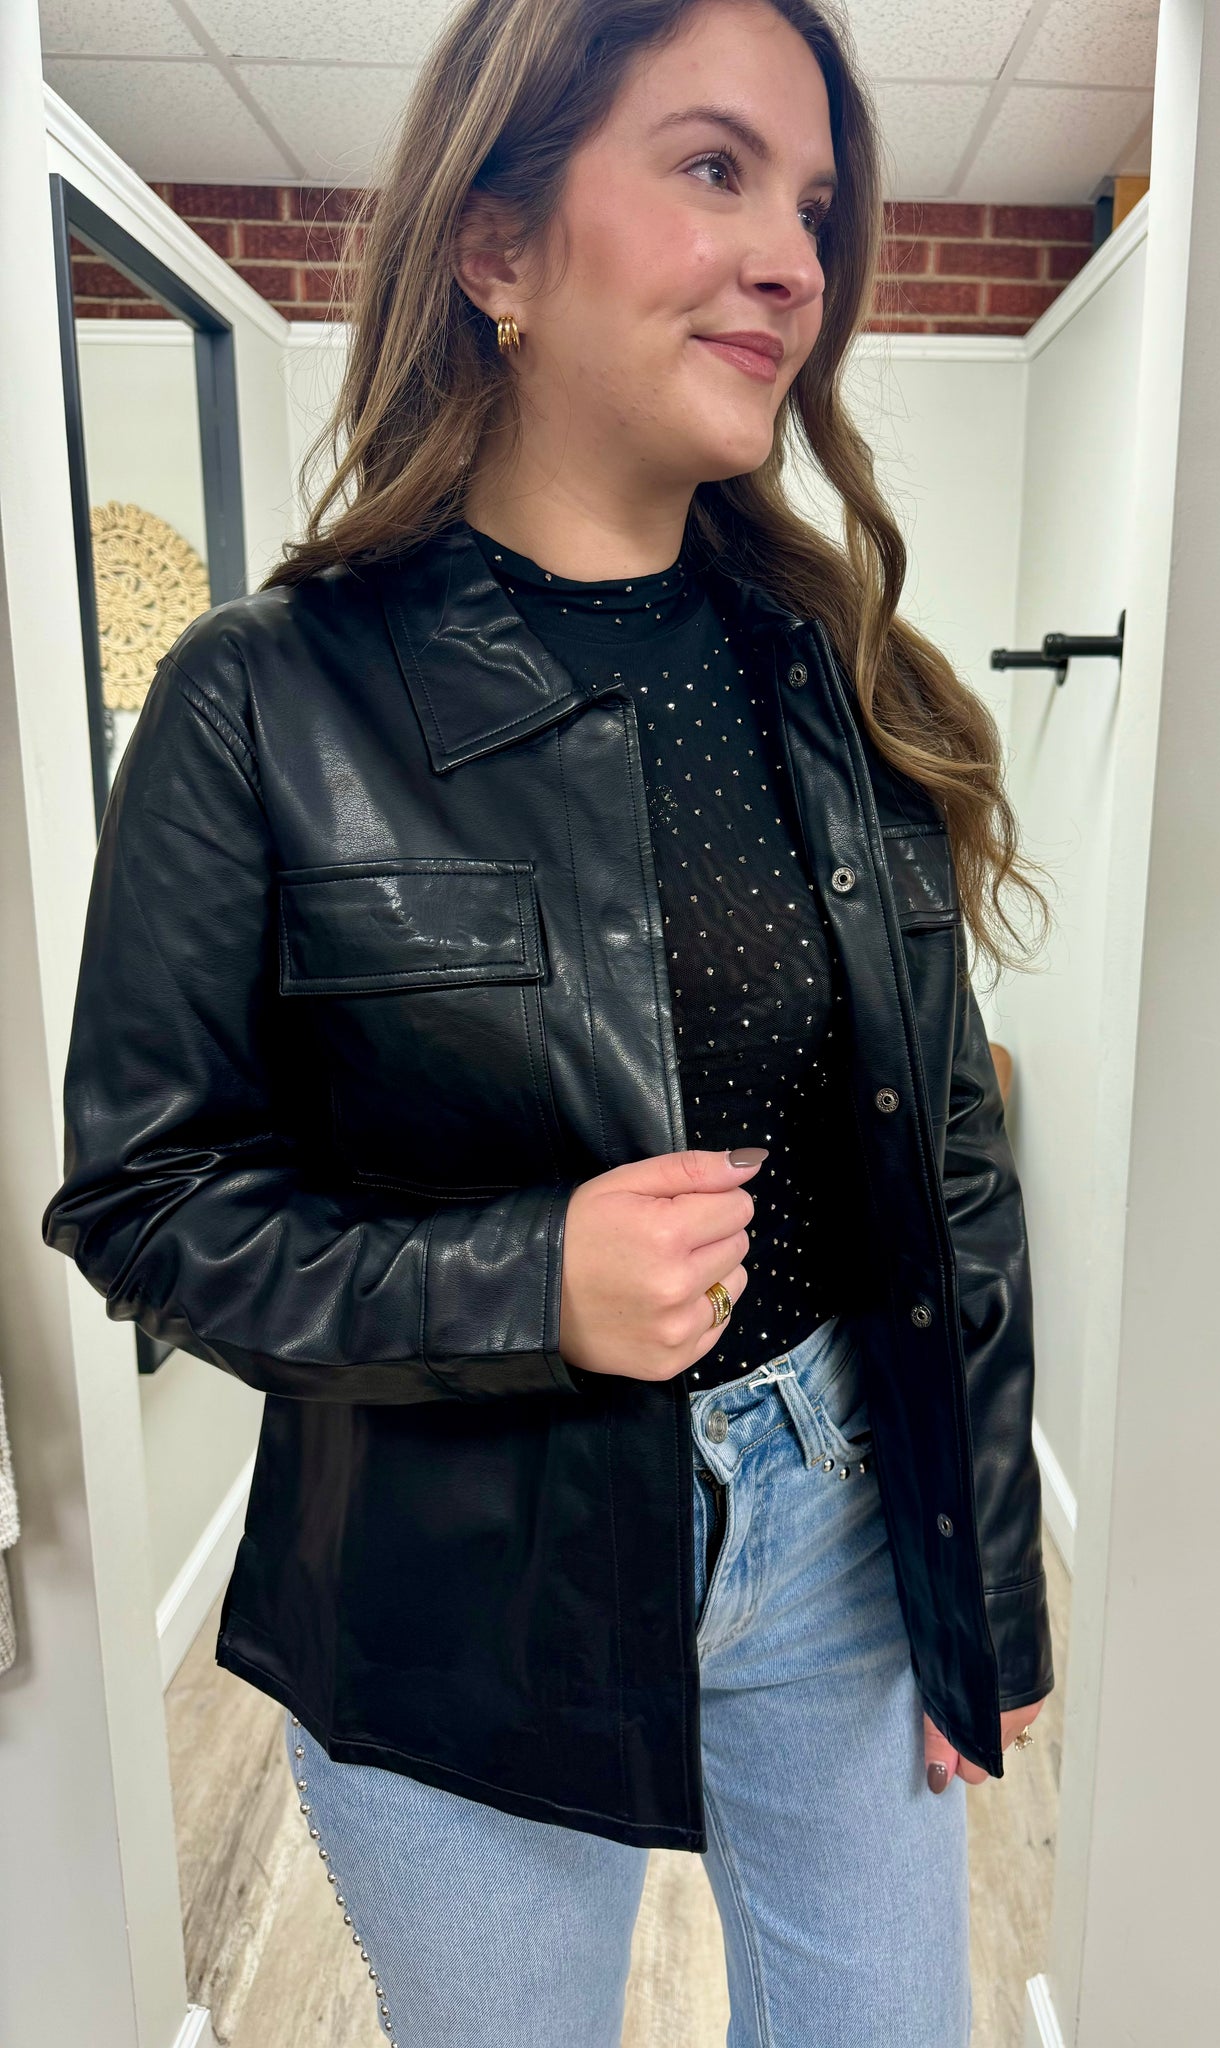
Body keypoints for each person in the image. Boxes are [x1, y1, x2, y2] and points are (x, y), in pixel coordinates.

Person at [41, 0, 1055, 2040]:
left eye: (815, 205)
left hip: (841, 1513)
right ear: (496, 247)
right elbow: (146, 1200)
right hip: (450, 1581)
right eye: (714, 168)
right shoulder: (264, 699)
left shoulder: (834, 671)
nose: (795, 258)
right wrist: (529, 1283)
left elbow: (947, 1152)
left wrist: (990, 1581)